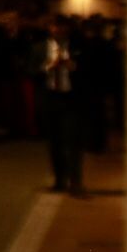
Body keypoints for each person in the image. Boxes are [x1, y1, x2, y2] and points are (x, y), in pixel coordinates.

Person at [41, 13, 85, 194]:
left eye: (61, 27)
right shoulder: (41, 47)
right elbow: (31, 68)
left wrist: (71, 65)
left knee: (73, 141)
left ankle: (75, 180)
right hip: (51, 97)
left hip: (70, 98)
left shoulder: (77, 46)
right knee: (55, 142)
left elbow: (88, 70)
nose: (57, 30)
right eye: (54, 27)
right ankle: (59, 179)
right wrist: (47, 67)